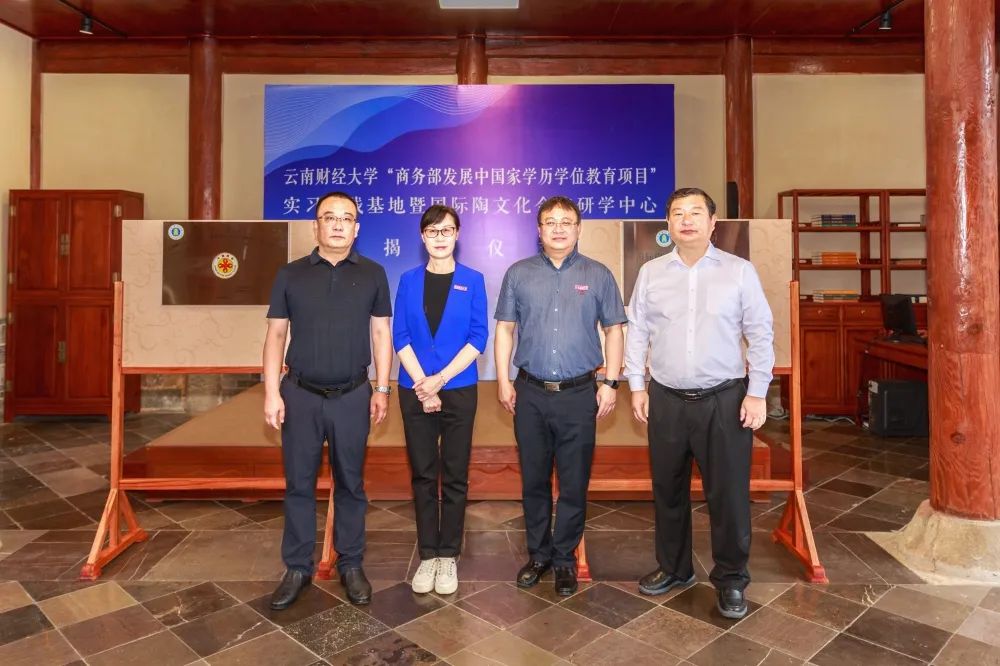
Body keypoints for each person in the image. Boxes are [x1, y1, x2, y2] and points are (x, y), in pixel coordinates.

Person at [624, 187, 774, 619]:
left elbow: (760, 332)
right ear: (668, 224)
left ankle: (731, 580)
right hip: (666, 398)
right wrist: (637, 385)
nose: (686, 220)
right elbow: (637, 331)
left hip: (724, 400)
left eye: (695, 213)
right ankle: (675, 569)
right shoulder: (651, 273)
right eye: (677, 213)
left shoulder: (739, 271)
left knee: (728, 495)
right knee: (668, 490)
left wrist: (757, 391)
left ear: (713, 223)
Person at [263, 190, 393, 609]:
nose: (338, 224)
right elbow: (276, 335)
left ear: (357, 228)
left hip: (352, 395)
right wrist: (271, 392)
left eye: (346, 218)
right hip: (299, 395)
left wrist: (382, 387)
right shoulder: (290, 274)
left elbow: (381, 333)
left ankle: (350, 563)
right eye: (329, 217)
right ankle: (297, 567)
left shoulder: (373, 273)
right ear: (315, 225)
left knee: (351, 483)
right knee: (299, 484)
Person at [494, 195, 626, 596]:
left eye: (566, 222)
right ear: (539, 230)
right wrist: (503, 381)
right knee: (533, 480)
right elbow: (504, 329)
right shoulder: (518, 273)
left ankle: (565, 558)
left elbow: (614, 330)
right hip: (530, 393)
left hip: (578, 394)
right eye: (550, 222)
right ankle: (538, 556)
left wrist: (611, 382)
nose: (558, 228)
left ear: (578, 228)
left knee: (573, 481)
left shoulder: (598, 274)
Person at [393, 204, 488, 596]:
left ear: (457, 234)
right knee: (422, 474)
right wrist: (423, 384)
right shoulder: (408, 280)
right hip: (414, 387)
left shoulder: (473, 280)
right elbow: (400, 336)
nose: (439, 237)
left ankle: (448, 554)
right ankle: (428, 555)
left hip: (459, 388)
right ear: (422, 236)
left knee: (454, 474)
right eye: (432, 231)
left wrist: (441, 381)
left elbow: (478, 338)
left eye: (446, 230)